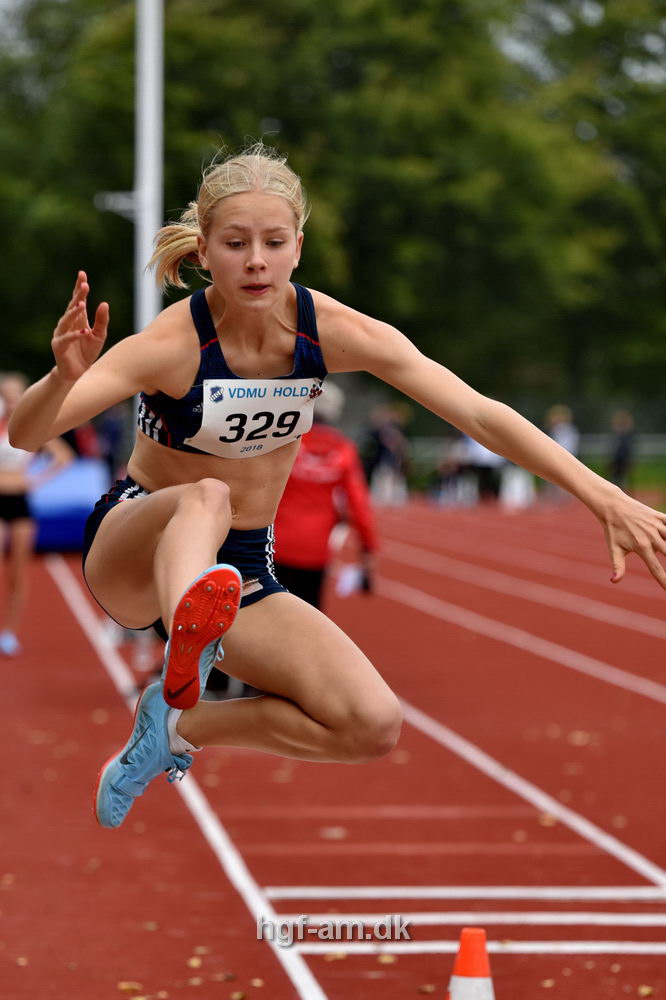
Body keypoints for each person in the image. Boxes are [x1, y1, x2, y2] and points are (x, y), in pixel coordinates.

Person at [10, 144, 666, 830]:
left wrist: (603, 494)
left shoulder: (331, 331)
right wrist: (62, 378)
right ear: (204, 251)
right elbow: (27, 437)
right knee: (207, 495)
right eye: (236, 244)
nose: (256, 260)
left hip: (243, 568)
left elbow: (476, 412)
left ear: (299, 247)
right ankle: (189, 639)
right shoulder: (174, 343)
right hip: (138, 546)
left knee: (370, 722)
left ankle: (180, 727)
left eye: (272, 242)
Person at [273, 380, 377, 609]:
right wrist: (367, 548)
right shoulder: (343, 449)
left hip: (275, 544)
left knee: (269, 614)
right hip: (316, 549)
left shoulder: (285, 440)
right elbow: (359, 504)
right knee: (309, 615)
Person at [0, 373, 73, 656]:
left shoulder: (31, 426)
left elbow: (64, 457)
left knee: (18, 572)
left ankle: (9, 632)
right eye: (5, 395)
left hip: (20, 500)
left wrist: (36, 480)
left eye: (14, 394)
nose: (10, 400)